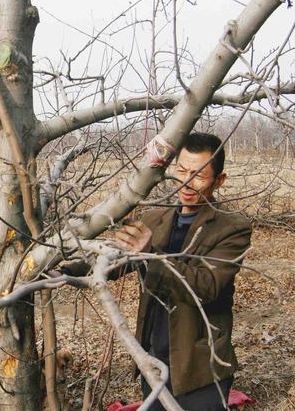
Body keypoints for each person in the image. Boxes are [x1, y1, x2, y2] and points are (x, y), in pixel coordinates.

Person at [113, 132, 252, 410]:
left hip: (200, 368)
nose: (187, 182)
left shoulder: (232, 228)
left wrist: (151, 253)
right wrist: (60, 268)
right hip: (154, 360)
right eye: (182, 171)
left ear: (219, 180)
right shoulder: (155, 218)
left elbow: (207, 286)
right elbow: (116, 260)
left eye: (199, 175)